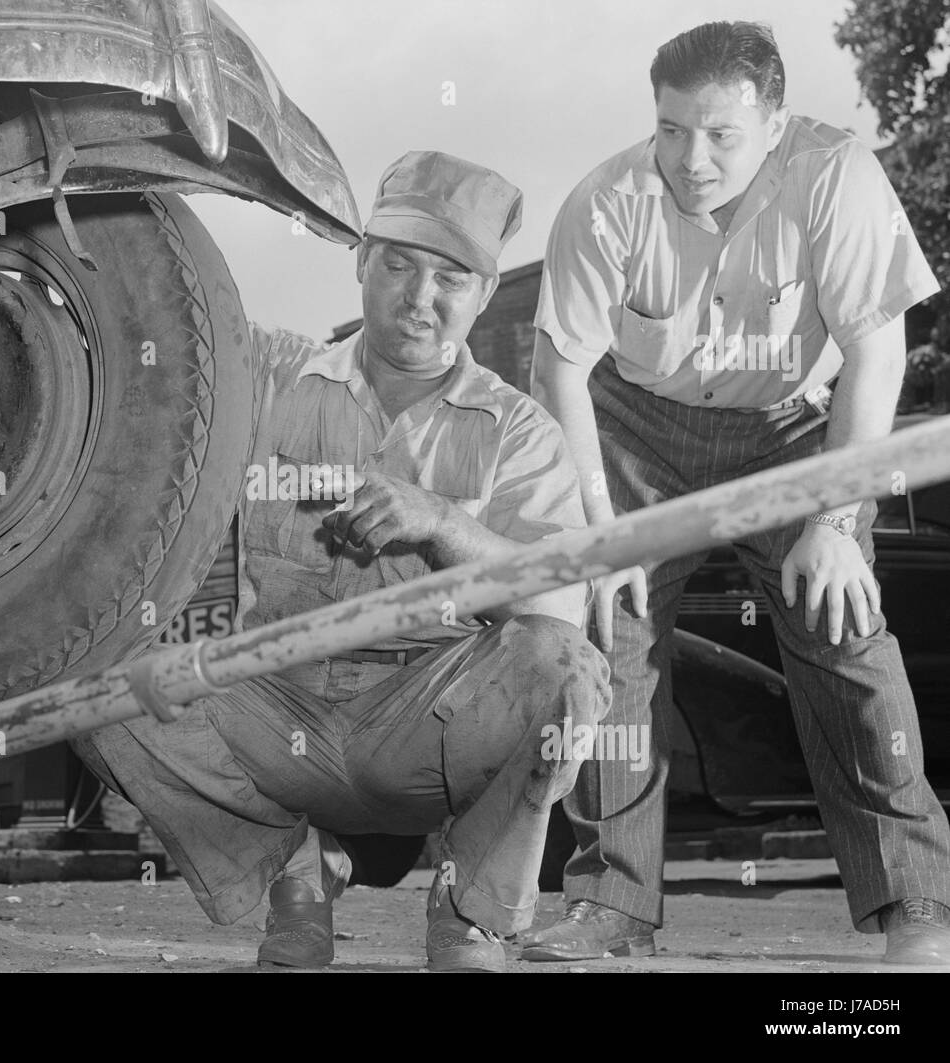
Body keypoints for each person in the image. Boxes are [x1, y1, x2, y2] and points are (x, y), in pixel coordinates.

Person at [73, 150, 611, 972]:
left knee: (566, 668)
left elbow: (562, 612)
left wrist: (441, 523)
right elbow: (159, 334)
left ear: (485, 292)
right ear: (361, 259)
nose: (419, 298)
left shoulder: (519, 432)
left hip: (428, 728)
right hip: (274, 708)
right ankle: (294, 871)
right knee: (100, 682)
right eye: (397, 263)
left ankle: (471, 908)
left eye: (450, 278)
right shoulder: (268, 377)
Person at [527, 20, 950, 965]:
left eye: (721, 133)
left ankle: (919, 902)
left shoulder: (838, 175)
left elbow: (879, 353)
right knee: (609, 630)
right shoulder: (605, 203)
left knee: (843, 626)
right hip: (634, 425)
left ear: (776, 120)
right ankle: (610, 906)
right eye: (673, 130)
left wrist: (837, 519)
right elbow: (558, 374)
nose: (693, 158)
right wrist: (598, 527)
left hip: (795, 427)